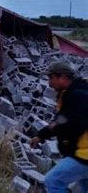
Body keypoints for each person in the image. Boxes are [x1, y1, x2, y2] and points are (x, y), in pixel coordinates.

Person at [29, 62, 88, 192]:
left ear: (63, 77)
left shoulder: (79, 95)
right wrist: (41, 135)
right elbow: (63, 119)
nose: (49, 82)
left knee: (53, 181)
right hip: (82, 152)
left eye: (51, 78)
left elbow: (74, 123)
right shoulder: (71, 93)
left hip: (84, 154)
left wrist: (59, 130)